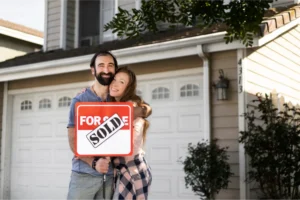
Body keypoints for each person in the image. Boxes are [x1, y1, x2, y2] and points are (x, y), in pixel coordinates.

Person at [67, 51, 151, 200]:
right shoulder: (80, 100)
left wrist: (141, 110)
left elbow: (144, 108)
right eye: (101, 65)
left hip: (111, 176)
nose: (106, 70)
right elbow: (74, 141)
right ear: (93, 70)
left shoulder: (117, 99)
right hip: (84, 175)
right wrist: (93, 163)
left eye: (110, 66)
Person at [109, 67, 152, 200]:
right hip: (123, 170)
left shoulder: (131, 107)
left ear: (128, 87)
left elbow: (129, 143)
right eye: (114, 79)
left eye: (122, 82)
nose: (115, 84)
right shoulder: (112, 105)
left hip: (132, 170)